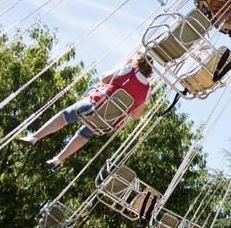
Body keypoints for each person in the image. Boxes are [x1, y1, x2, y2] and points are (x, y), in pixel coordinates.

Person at [19, 53, 153, 167]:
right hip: (106, 121)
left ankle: (34, 137)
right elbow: (136, 116)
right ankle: (57, 159)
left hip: (94, 104)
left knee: (65, 115)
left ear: (137, 61)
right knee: (85, 134)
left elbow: (104, 79)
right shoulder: (147, 90)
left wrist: (120, 68)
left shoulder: (128, 69)